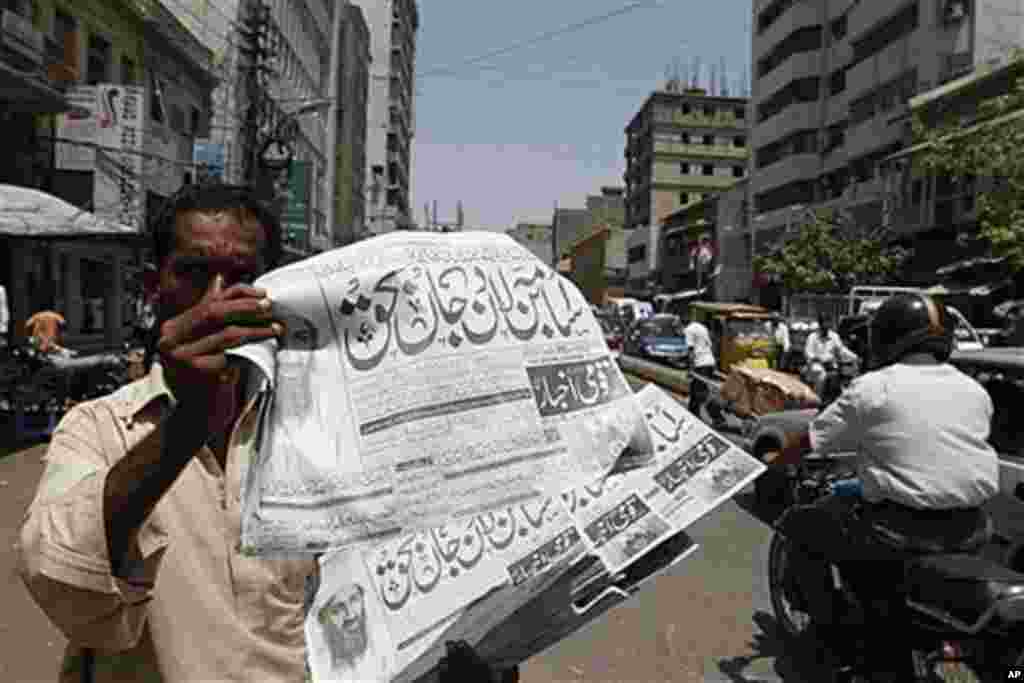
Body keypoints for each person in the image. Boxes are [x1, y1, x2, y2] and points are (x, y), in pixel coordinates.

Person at [16, 183, 317, 682]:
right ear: (156, 285)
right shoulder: (100, 426)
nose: (217, 299)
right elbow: (56, 576)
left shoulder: (314, 431)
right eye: (194, 274)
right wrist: (186, 426)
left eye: (242, 277)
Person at [772, 293, 999, 679]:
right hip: (973, 528)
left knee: (799, 524)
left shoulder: (872, 387)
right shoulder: (975, 390)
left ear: (886, 337)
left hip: (895, 531)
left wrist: (774, 465)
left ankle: (831, 633)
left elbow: (811, 441)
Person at [684, 316, 726, 428]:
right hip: (709, 361)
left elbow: (691, 351)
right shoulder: (703, 328)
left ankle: (718, 417)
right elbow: (709, 345)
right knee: (694, 392)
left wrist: (691, 368)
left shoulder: (689, 330)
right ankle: (692, 417)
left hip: (700, 363)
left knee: (701, 393)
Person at [802, 313, 857, 398]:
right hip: (816, 365)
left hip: (831, 364)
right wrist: (816, 358)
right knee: (821, 375)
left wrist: (854, 357)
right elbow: (808, 352)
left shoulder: (834, 336)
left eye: (828, 323)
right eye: (824, 323)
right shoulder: (812, 337)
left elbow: (841, 350)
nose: (827, 325)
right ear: (820, 324)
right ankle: (818, 398)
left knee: (847, 372)